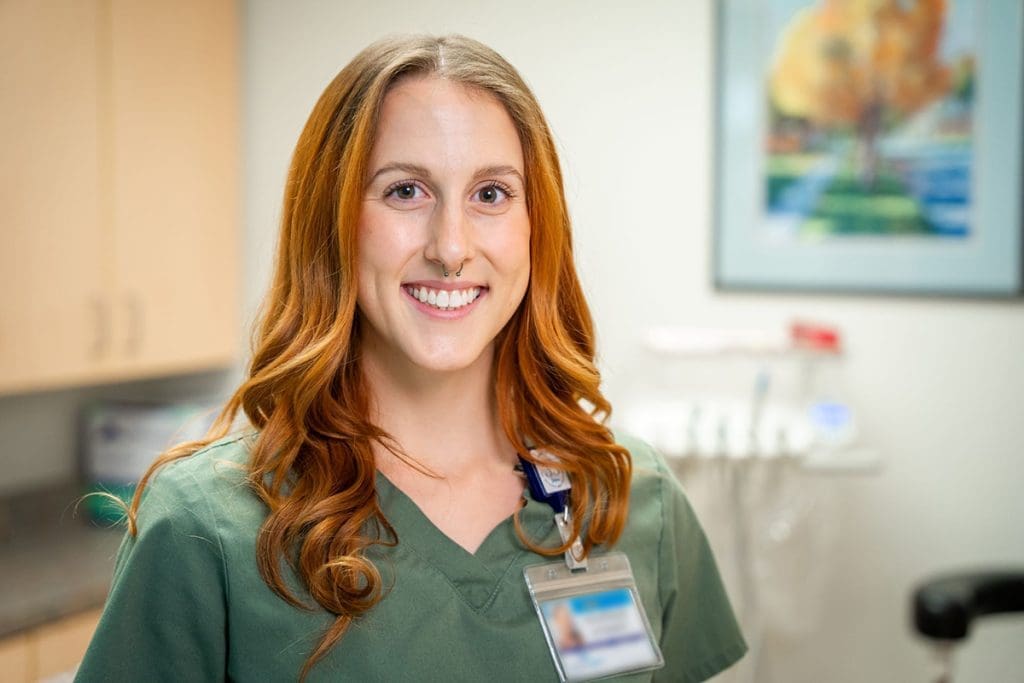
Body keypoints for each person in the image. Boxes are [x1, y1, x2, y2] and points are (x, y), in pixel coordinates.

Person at [76, 34, 746, 682]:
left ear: (536, 225)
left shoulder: (628, 497)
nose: (450, 247)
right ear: (331, 222)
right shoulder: (205, 528)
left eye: (490, 194)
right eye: (405, 191)